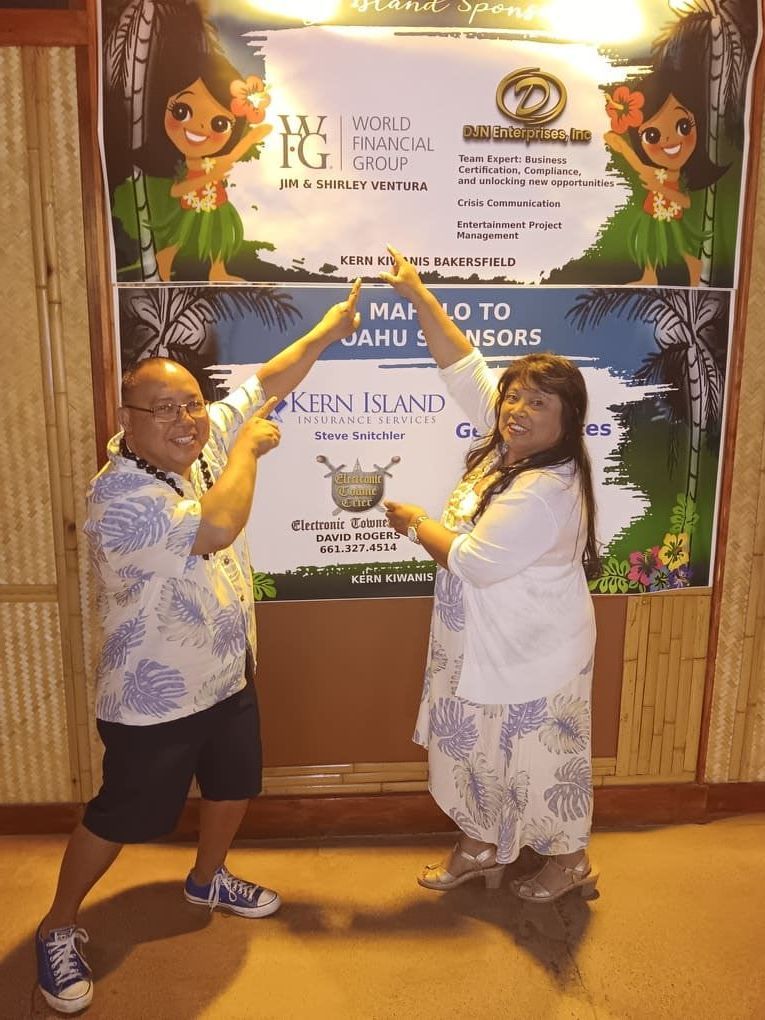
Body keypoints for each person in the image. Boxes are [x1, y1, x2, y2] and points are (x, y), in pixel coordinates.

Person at [35, 282, 361, 1015]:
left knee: (232, 786)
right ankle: (58, 926)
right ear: (127, 419)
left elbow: (269, 379)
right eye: (164, 409)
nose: (186, 420)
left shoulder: (196, 439)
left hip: (225, 674)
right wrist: (248, 445)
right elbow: (217, 525)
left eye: (191, 405)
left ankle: (207, 876)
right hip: (154, 696)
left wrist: (330, 329)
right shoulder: (119, 496)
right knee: (120, 815)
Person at [380, 247, 599, 902]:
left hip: (533, 650)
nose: (516, 408)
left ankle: (569, 861)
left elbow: (473, 561)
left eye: (537, 401)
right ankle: (478, 843)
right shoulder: (510, 445)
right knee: (472, 747)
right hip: (477, 642)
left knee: (543, 761)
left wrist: (417, 523)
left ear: (565, 421)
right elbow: (463, 365)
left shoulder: (542, 488)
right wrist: (419, 295)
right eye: (514, 396)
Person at [107, 2, 272, 282]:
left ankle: (217, 270)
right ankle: (164, 259)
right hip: (193, 204)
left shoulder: (214, 160)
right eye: (182, 111)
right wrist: (208, 178)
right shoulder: (194, 163)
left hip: (215, 206)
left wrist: (254, 136)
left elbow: (232, 157)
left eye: (219, 124)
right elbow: (178, 190)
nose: (198, 128)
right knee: (180, 238)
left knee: (223, 237)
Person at [603, 66, 726, 286]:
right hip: (652, 214)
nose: (669, 139)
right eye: (652, 135)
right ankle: (650, 276)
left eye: (683, 126)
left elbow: (685, 201)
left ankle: (691, 267)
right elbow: (639, 165)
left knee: (676, 247)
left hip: (668, 216)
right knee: (649, 244)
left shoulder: (670, 175)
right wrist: (621, 146)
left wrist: (658, 188)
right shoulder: (657, 172)